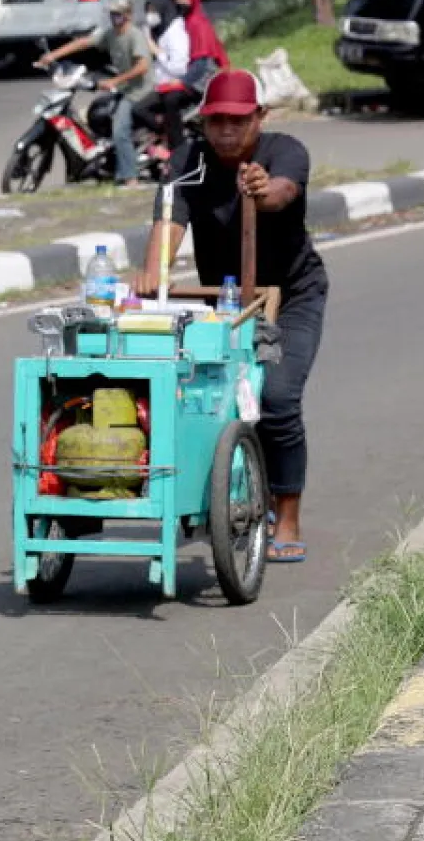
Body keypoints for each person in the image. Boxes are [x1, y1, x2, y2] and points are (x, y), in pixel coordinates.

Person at [132, 70, 327, 565]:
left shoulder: (285, 152)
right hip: (222, 301)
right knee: (210, 400)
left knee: (277, 396)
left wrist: (260, 193)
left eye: (237, 120)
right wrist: (150, 274)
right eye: (215, 120)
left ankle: (287, 514)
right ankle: (225, 496)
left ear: (259, 118)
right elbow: (169, 222)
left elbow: (282, 192)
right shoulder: (186, 162)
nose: (225, 130)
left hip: (290, 295)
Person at [37, 0, 154, 187]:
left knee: (119, 130)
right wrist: (53, 55)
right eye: (112, 13)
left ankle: (130, 177)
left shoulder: (134, 35)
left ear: (128, 15)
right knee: (96, 113)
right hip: (124, 89)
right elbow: (84, 43)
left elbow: (142, 66)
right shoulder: (111, 34)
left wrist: (115, 81)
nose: (114, 17)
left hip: (139, 91)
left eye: (118, 14)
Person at [135, 0, 192, 157]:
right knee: (139, 109)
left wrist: (156, 50)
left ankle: (174, 147)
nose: (150, 16)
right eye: (148, 11)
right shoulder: (162, 31)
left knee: (141, 109)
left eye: (153, 11)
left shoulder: (176, 33)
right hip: (162, 85)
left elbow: (179, 67)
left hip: (175, 85)